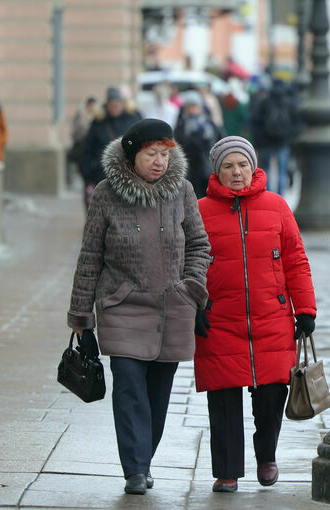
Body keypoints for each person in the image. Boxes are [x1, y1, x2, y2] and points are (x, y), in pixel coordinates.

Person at [67, 118, 211, 495]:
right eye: (152, 154)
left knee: (158, 395)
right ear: (133, 154)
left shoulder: (182, 191)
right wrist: (81, 317)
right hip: (122, 304)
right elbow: (89, 257)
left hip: (172, 307)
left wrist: (192, 287)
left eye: (165, 154)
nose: (160, 161)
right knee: (129, 387)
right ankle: (135, 469)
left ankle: (142, 460)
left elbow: (199, 245)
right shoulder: (105, 193)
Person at [194, 136, 317, 493]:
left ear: (253, 167)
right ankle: (228, 471)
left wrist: (305, 309)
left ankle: (266, 454)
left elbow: (296, 260)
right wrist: (194, 304)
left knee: (271, 397)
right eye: (229, 166)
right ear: (217, 170)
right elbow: (189, 263)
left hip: (272, 318)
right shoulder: (200, 210)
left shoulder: (277, 206)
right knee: (223, 398)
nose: (236, 172)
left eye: (242, 165)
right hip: (219, 320)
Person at [80, 87, 140, 210]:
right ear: (106, 105)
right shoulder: (98, 122)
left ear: (123, 104)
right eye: (111, 105)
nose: (114, 108)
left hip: (128, 175)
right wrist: (88, 175)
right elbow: (87, 150)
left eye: (117, 104)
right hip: (102, 175)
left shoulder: (133, 119)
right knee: (104, 211)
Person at [250, 79, 303, 195]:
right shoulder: (289, 103)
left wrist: (259, 140)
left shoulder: (265, 102)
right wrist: (289, 137)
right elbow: (297, 124)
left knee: (266, 170)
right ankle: (280, 196)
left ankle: (267, 194)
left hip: (266, 142)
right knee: (282, 171)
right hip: (283, 142)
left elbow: (255, 121)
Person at [173, 91, 223, 198]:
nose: (192, 109)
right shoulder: (181, 127)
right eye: (190, 106)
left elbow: (221, 142)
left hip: (208, 169)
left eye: (195, 106)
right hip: (189, 171)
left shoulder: (210, 125)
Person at [68, 96, 97, 187]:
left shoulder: (98, 117)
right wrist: (82, 122)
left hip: (93, 149)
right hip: (82, 147)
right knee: (83, 170)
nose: (92, 107)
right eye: (90, 105)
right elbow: (74, 133)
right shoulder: (80, 115)